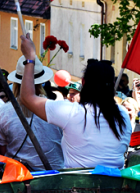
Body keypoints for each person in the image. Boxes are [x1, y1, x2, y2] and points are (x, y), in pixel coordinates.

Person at [18, 35, 130, 169]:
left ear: (83, 82)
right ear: (112, 84)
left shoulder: (71, 112)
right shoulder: (123, 114)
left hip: (77, 188)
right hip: (115, 187)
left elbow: (26, 97)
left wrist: (30, 57)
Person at [0, 57, 64, 171]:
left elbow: (3, 152)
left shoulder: (4, 111)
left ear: (16, 83)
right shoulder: (57, 109)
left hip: (19, 177)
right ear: (41, 82)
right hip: (54, 175)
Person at [121, 98, 140, 166]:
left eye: (129, 110)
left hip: (136, 169)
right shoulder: (117, 129)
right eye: (124, 110)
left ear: (136, 111)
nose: (126, 112)